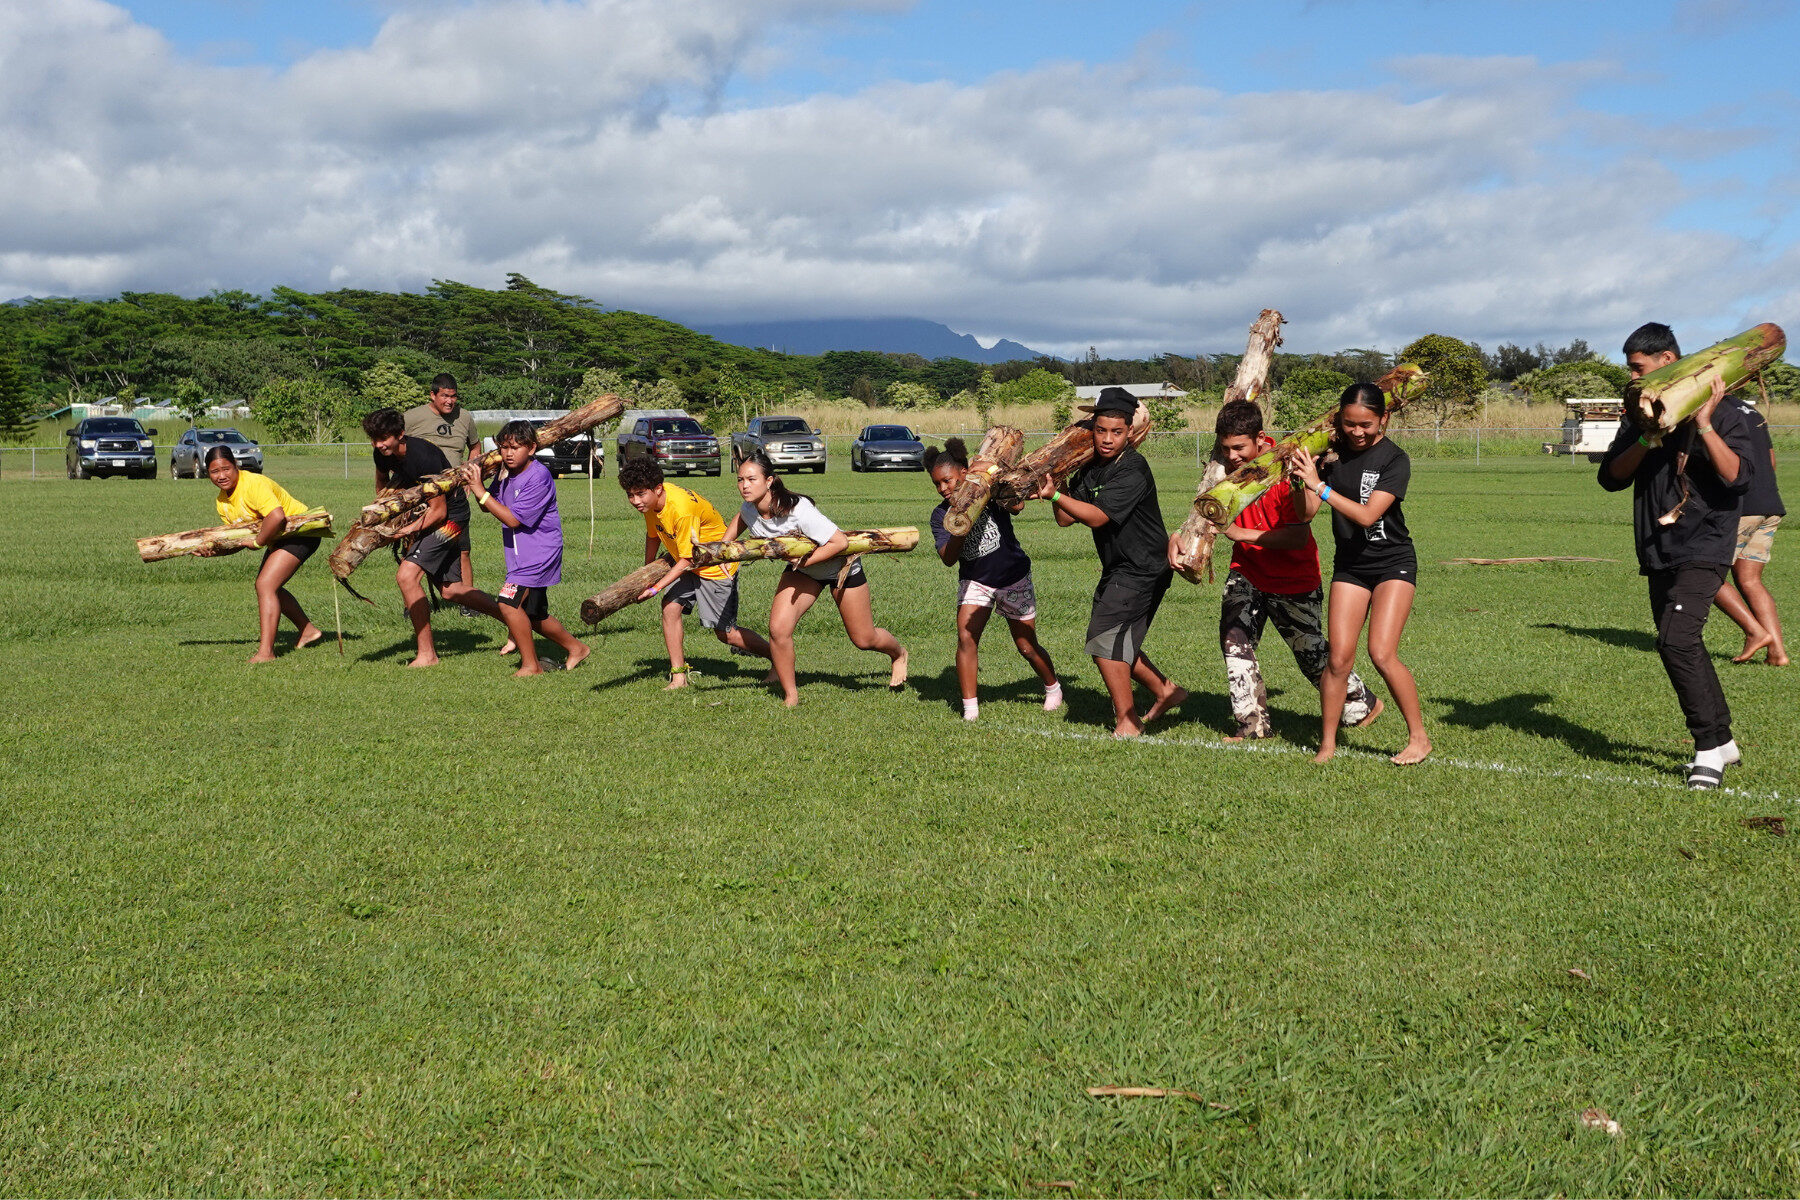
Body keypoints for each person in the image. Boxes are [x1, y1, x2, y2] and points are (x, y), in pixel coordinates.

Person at [1598, 322, 1756, 789]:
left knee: (1676, 641)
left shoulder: (1725, 408)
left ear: (1667, 360)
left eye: (1637, 367)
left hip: (1705, 542)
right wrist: (1646, 436)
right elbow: (1610, 478)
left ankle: (1706, 749)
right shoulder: (1640, 413)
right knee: (1684, 643)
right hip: (1656, 546)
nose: (1631, 376)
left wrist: (1703, 423)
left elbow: (1739, 478)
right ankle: (1723, 739)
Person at [1173, 400, 1383, 741]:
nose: (1232, 456)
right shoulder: (1222, 467)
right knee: (1235, 642)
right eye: (1225, 448)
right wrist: (1180, 534)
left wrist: (1239, 534)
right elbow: (1203, 509)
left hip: (1293, 578)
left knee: (1310, 654)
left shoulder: (1287, 468)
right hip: (1247, 571)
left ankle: (1361, 701)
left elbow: (1297, 536)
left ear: (1260, 439)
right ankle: (1252, 726)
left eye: (1239, 448)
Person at [1288, 383, 1430, 765]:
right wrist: (1302, 480)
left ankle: (1419, 738)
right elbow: (1306, 513)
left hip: (1392, 562)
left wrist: (1320, 487)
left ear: (1383, 418)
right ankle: (1328, 745)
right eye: (1349, 424)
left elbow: (1368, 516)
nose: (1357, 432)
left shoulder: (1394, 459)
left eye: (1365, 424)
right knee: (1338, 660)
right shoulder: (1331, 455)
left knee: (1381, 653)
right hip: (1351, 566)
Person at [1034, 386, 1184, 738]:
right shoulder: (1091, 468)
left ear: (1130, 431)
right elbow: (1066, 519)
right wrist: (1059, 484)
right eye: (1100, 430)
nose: (1106, 439)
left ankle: (1128, 721)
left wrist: (1055, 496)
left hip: (1144, 566)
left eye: (1116, 432)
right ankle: (1166, 691)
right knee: (1117, 642)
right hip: (1119, 567)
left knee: (1104, 641)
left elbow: (1098, 517)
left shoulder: (1133, 468)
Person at [725, 451, 908, 707]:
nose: (744, 485)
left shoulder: (798, 510)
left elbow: (839, 542)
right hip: (804, 572)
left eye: (751, 479)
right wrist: (724, 551)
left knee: (864, 639)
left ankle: (899, 654)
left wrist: (803, 562)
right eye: (740, 479)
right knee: (778, 630)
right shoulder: (749, 507)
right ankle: (791, 694)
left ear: (769, 481)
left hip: (840, 568)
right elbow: (741, 519)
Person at [925, 437, 1061, 720]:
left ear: (964, 473)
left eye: (948, 480)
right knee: (966, 637)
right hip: (976, 581)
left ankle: (1053, 687)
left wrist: (991, 483)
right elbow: (948, 559)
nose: (943, 488)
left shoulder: (989, 496)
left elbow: (1017, 507)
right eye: (937, 484)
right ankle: (970, 709)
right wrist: (960, 525)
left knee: (1026, 645)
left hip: (1013, 576)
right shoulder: (940, 515)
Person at [362, 407, 505, 667]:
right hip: (429, 515)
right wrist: (383, 515)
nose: (379, 445)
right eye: (374, 439)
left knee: (407, 576)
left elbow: (439, 512)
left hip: (451, 519)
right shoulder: (381, 454)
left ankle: (427, 655)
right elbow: (382, 487)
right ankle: (515, 621)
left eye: (384, 438)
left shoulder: (423, 457)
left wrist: (405, 531)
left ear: (400, 434)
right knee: (451, 591)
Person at [618, 455, 774, 689]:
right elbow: (653, 534)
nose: (635, 501)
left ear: (658, 488)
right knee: (670, 608)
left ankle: (779, 658)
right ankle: (678, 676)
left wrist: (655, 588)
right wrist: (646, 572)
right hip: (690, 564)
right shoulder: (651, 504)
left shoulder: (681, 509)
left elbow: (686, 559)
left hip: (715, 567)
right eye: (630, 495)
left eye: (640, 494)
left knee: (726, 634)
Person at [460, 420, 589, 676]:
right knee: (534, 614)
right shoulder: (505, 473)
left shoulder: (538, 476)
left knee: (508, 602)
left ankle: (531, 666)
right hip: (519, 554)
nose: (508, 453)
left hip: (539, 553)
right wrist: (479, 487)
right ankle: (577, 648)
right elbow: (488, 506)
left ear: (531, 448)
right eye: (504, 447)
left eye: (515, 447)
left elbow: (513, 519)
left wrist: (479, 490)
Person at [197, 447, 324, 663]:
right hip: (277, 538)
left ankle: (266, 653)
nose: (221, 476)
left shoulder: (253, 484)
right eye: (214, 471)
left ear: (236, 466)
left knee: (265, 585)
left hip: (301, 532)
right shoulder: (222, 501)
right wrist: (213, 552)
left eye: (226, 469)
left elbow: (277, 516)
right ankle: (308, 631)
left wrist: (259, 542)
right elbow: (239, 540)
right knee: (268, 587)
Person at [1710, 390, 1788, 666]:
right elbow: (1771, 460)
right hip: (1770, 504)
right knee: (1750, 580)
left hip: (1741, 507)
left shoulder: (1712, 410)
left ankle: (1755, 632)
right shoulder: (1750, 410)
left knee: (1704, 574)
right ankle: (1777, 653)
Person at [402, 373, 483, 600]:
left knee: (462, 549)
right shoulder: (412, 417)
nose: (450, 401)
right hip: (421, 498)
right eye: (445, 396)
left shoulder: (464, 417)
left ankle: (469, 603)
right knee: (413, 547)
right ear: (433, 395)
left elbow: (475, 446)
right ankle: (412, 604)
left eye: (453, 396)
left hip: (455, 501)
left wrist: (470, 471)